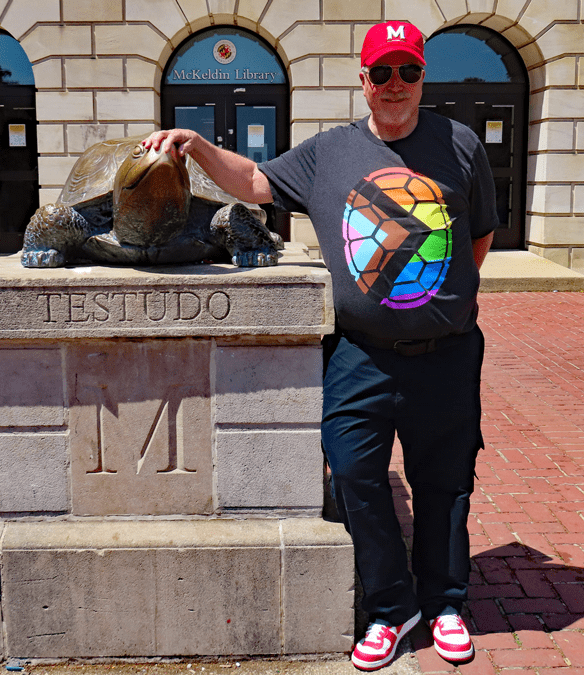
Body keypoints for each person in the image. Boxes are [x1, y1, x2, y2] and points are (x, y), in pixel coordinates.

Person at [143, 20, 495, 670]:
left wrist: (441, 301)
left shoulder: (461, 144)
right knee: (357, 476)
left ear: (423, 77)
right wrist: (194, 145)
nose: (396, 85)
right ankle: (393, 607)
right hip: (359, 353)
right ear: (362, 81)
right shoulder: (328, 152)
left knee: (444, 485)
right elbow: (253, 181)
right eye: (382, 73)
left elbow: (477, 239)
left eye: (408, 72)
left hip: (446, 353)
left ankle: (445, 602)